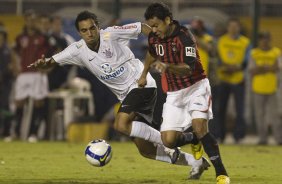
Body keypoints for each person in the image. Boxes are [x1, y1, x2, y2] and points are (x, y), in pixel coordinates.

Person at [28, 10, 210, 179]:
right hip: (125, 96)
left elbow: (141, 27)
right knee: (145, 149)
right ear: (79, 33)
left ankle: (181, 139)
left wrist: (159, 43)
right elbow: (52, 60)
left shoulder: (111, 34)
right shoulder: (77, 50)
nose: (89, 33)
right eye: (84, 31)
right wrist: (44, 63)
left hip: (141, 84)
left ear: (98, 27)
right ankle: (196, 161)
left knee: (121, 124)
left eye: (92, 28)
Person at [138, 3, 229, 183]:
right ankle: (195, 139)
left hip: (196, 87)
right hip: (174, 93)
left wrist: (167, 66)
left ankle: (221, 173)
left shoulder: (185, 37)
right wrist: (144, 73)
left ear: (168, 20)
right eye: (151, 26)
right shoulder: (154, 38)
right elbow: (151, 53)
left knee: (200, 126)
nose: (153, 30)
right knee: (168, 141)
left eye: (156, 25)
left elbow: (188, 69)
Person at [12, 10, 50, 142]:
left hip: (36, 73)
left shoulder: (42, 38)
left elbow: (54, 52)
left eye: (33, 19)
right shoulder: (20, 37)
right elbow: (15, 52)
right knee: (19, 102)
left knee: (38, 102)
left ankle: (33, 133)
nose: (31, 22)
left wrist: (47, 67)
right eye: (29, 19)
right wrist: (16, 65)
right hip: (23, 73)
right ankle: (16, 133)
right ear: (26, 20)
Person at [216, 18, 251, 143]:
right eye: (231, 26)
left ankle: (238, 136)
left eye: (236, 26)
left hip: (238, 79)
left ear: (239, 28)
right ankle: (220, 135)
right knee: (221, 109)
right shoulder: (221, 41)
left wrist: (237, 67)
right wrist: (225, 66)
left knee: (239, 110)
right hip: (223, 78)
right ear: (227, 28)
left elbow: (247, 59)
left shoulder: (246, 42)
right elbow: (217, 56)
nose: (233, 29)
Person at [248, 31, 282, 145]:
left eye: (266, 38)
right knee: (259, 115)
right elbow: (252, 71)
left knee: (275, 115)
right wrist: (268, 67)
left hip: (273, 88)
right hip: (258, 88)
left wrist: (261, 67)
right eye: (262, 38)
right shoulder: (254, 53)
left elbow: (277, 67)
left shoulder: (276, 52)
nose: (265, 41)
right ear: (259, 40)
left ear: (269, 39)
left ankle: (279, 139)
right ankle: (263, 139)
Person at [0, 26, 19, 141]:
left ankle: (7, 131)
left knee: (5, 105)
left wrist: (13, 70)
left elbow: (14, 64)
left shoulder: (9, 50)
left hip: (7, 81)